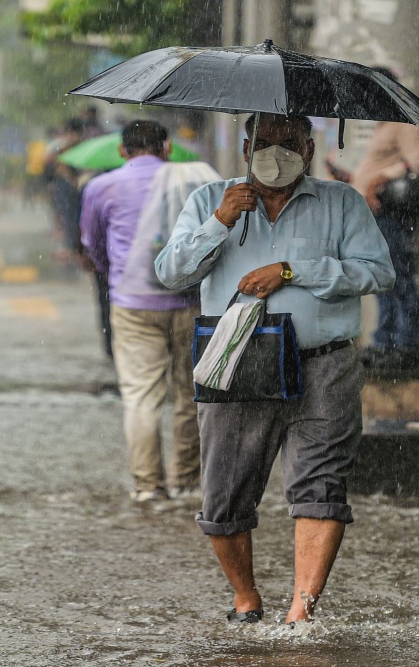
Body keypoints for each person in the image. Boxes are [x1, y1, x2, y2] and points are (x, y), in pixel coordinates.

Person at [155, 113, 394, 625]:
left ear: (310, 150)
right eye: (265, 143)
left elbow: (378, 271)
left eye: (289, 143)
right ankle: (246, 596)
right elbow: (171, 273)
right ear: (246, 149)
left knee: (321, 487)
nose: (276, 153)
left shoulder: (342, 203)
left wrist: (293, 271)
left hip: (323, 365)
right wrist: (219, 222)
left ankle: (301, 611)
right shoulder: (208, 202)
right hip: (236, 365)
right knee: (223, 497)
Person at [80, 120, 216, 502]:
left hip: (133, 303)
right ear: (167, 148)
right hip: (190, 300)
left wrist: (116, 275)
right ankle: (186, 481)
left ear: (122, 151)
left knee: (141, 397)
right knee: (190, 393)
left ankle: (147, 486)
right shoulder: (191, 183)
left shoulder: (101, 186)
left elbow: (93, 243)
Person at [351, 68, 419, 373]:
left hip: (392, 210)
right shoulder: (383, 122)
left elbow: (418, 162)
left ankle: (406, 344)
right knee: (384, 276)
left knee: (399, 276)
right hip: (375, 211)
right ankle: (385, 341)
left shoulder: (403, 120)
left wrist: (378, 180)